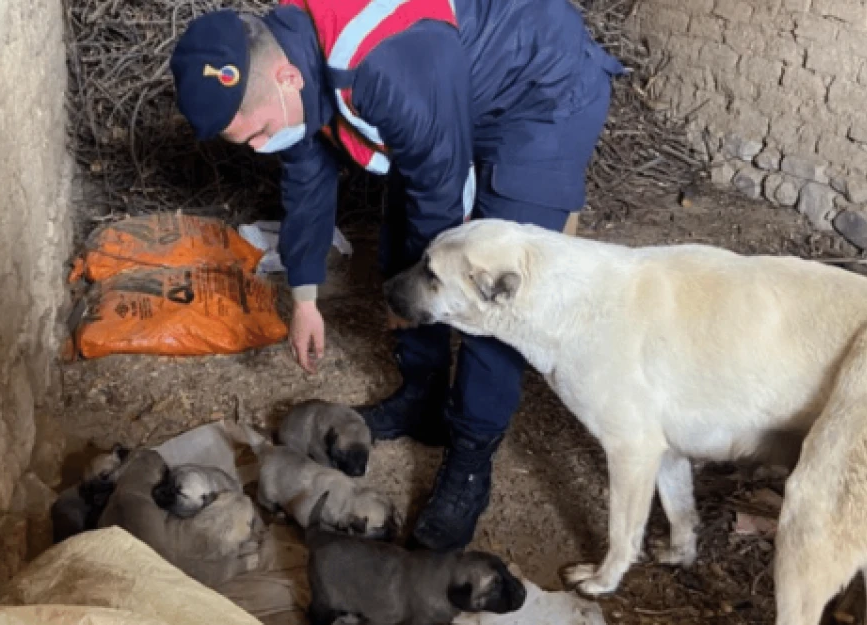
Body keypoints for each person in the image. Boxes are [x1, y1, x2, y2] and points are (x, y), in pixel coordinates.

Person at [169, 0, 626, 551]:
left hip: (537, 93)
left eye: (260, 132)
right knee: (401, 246)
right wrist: (305, 298)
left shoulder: (384, 66)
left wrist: (414, 293)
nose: (262, 148)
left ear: (286, 77)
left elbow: (442, 202)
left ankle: (470, 457)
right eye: (247, 143)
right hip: (449, 87)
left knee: (490, 297)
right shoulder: (294, 61)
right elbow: (307, 181)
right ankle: (423, 398)